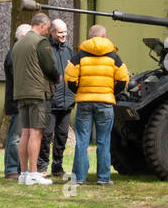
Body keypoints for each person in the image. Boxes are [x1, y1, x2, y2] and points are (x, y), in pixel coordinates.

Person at [65, 24, 130, 186]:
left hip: (84, 103)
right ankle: (103, 178)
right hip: (105, 103)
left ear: (90, 37)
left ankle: (79, 178)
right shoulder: (114, 57)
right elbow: (123, 79)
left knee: (82, 140)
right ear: (103, 37)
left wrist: (80, 90)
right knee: (103, 140)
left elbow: (69, 78)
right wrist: (111, 92)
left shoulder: (79, 55)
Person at [10, 12, 60, 185]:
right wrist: (57, 77)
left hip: (21, 93)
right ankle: (33, 173)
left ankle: (23, 173)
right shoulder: (40, 42)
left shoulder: (18, 44)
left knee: (25, 132)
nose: (48, 31)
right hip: (38, 93)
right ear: (43, 25)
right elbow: (49, 67)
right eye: (48, 28)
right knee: (36, 133)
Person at [39, 18, 77, 177]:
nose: (64, 35)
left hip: (67, 101)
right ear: (52, 32)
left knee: (62, 136)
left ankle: (57, 167)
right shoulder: (45, 49)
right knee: (46, 136)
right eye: (60, 32)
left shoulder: (69, 50)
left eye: (65, 32)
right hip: (50, 101)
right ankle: (41, 167)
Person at [2, 23, 30, 179]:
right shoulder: (14, 54)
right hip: (17, 101)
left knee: (21, 136)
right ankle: (11, 169)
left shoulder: (18, 53)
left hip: (21, 100)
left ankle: (19, 168)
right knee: (15, 137)